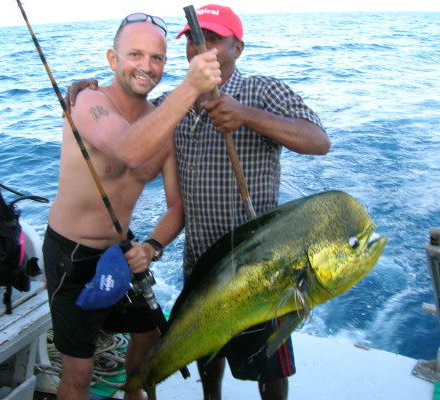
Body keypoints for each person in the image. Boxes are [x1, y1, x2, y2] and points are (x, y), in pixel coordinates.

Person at [67, 5, 330, 400]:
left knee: (269, 368)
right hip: (202, 263)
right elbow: (130, 116)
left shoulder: (263, 90)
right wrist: (91, 88)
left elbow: (318, 140)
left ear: (237, 48)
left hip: (262, 266)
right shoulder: (175, 102)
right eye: (192, 38)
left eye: (212, 38)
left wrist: (246, 116)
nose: (199, 47)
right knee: (210, 358)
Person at [43, 12, 221, 400]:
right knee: (78, 374)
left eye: (156, 58)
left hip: (121, 251)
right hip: (69, 256)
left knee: (149, 334)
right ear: (112, 59)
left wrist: (151, 247)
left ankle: (133, 393)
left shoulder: (163, 122)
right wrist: (189, 89)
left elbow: (177, 208)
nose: (146, 66)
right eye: (135, 55)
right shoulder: (88, 101)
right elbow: (129, 149)